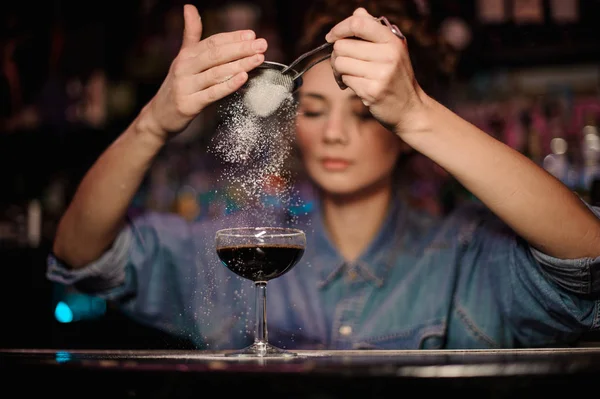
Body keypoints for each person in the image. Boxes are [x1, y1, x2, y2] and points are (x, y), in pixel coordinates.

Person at [47, 1, 600, 350]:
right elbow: (81, 256)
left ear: (405, 138)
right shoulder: (240, 248)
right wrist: (152, 124)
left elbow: (587, 263)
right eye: (313, 112)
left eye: (365, 113)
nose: (334, 133)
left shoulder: (469, 261)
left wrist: (417, 113)